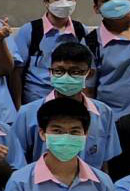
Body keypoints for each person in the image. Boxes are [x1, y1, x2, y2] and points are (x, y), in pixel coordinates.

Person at [9, 41, 121, 169]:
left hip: (88, 180)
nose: (66, 77)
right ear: (50, 72)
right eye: (59, 71)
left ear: (89, 74)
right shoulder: (27, 114)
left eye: (75, 72)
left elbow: (104, 163)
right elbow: (16, 161)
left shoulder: (104, 113)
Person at [10, 0, 90, 105]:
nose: (64, 3)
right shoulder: (30, 30)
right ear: (46, 1)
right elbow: (16, 72)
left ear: (75, 0)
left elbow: (87, 70)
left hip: (72, 100)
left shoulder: (81, 30)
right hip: (36, 101)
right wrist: (18, 106)